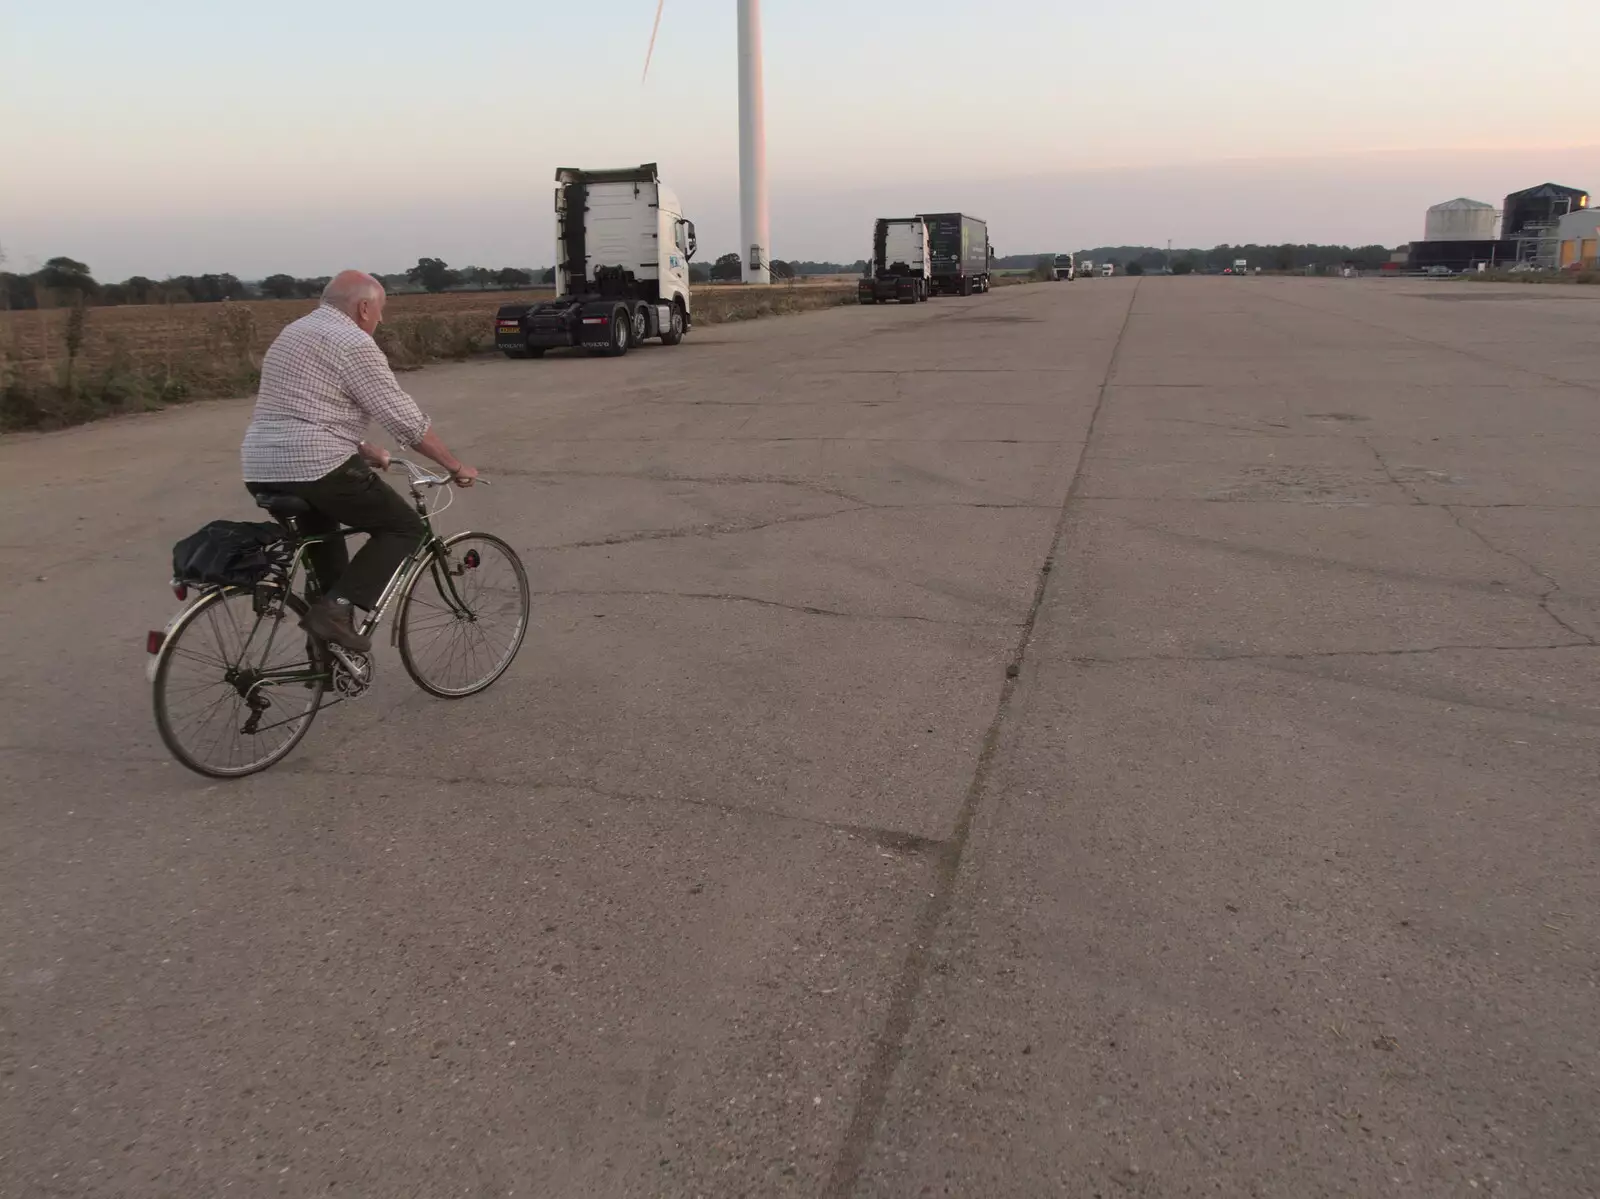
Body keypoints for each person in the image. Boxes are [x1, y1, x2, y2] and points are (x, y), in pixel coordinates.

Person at [241, 270, 477, 653]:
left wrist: (360, 445)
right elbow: (405, 420)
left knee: (327, 553)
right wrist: (454, 465)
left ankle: (326, 656)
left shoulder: (294, 333)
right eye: (380, 310)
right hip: (315, 466)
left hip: (261, 466)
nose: (380, 320)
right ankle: (333, 615)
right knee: (405, 529)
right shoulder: (352, 342)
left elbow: (304, 406)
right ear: (364, 307)